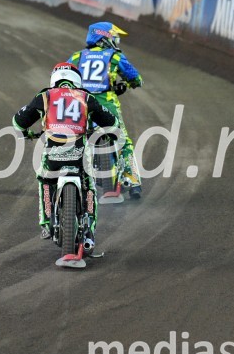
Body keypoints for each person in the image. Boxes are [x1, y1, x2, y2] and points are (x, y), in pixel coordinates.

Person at [12, 63, 118, 250]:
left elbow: (18, 121)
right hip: (79, 152)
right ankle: (89, 231)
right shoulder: (87, 97)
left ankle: (45, 222)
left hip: (53, 152)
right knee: (89, 185)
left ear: (55, 79)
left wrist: (26, 133)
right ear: (76, 79)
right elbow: (112, 122)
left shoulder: (44, 96)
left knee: (44, 178)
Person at [67, 22, 144, 198]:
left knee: (74, 138)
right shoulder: (114, 56)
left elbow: (61, 76)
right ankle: (132, 180)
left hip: (80, 105)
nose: (116, 42)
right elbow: (136, 77)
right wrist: (127, 84)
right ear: (104, 38)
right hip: (106, 104)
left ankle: (72, 177)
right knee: (124, 142)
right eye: (114, 38)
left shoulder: (77, 57)